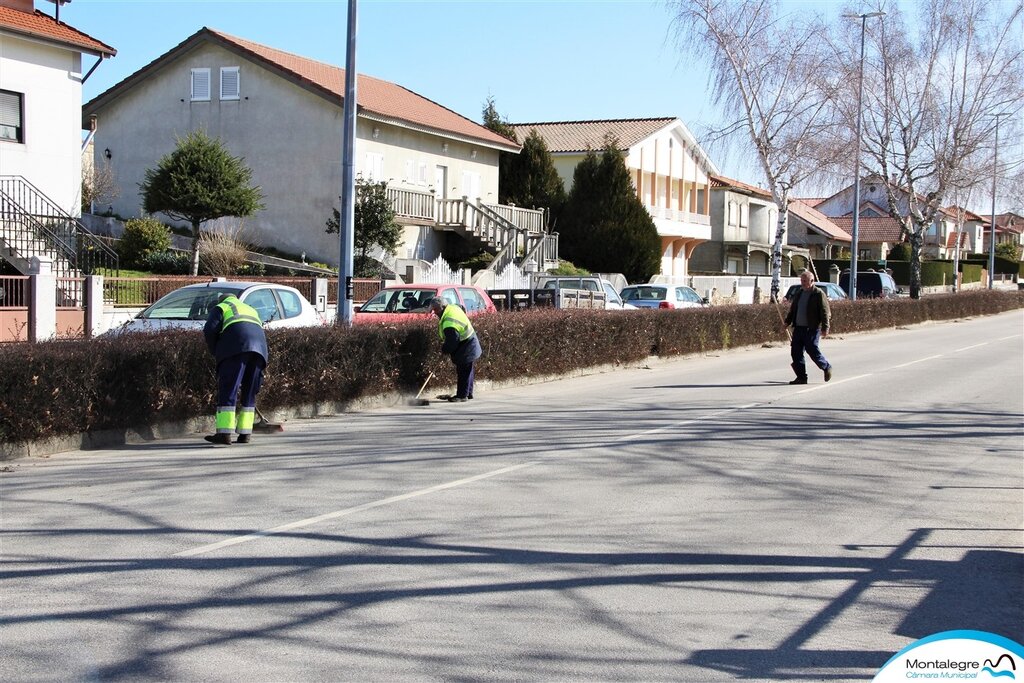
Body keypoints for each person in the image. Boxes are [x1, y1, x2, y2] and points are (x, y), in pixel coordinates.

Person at [202, 292, 269, 445]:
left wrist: (216, 350)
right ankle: (245, 434)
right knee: (250, 391)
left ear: (222, 299)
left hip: (236, 349)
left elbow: (209, 330)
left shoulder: (222, 307)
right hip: (260, 351)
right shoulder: (250, 309)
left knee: (229, 388)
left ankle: (224, 434)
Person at [429, 297, 482, 402]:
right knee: (467, 369)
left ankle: (462, 395)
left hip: (467, 344)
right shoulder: (452, 308)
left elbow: (452, 341)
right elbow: (461, 307)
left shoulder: (449, 322)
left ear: (442, 307)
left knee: (463, 370)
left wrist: (445, 349)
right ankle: (468, 393)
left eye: (436, 310)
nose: (434, 312)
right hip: (469, 341)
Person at [784, 270, 833, 385]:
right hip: (798, 329)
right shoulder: (799, 293)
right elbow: (793, 310)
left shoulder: (818, 294)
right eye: (802, 280)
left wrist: (826, 327)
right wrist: (787, 322)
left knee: (812, 351)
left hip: (811, 329)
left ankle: (826, 367)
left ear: (812, 281)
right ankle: (801, 377)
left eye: (805, 281)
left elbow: (825, 312)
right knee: (795, 353)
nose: (803, 283)